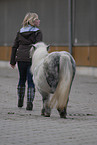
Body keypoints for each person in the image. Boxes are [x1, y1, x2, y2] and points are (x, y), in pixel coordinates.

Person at [10, 12, 42, 110]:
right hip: (31, 58)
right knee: (31, 80)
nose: (39, 20)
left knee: (22, 79)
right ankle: (29, 103)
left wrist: (12, 61)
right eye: (37, 19)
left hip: (20, 57)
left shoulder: (20, 32)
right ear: (33, 21)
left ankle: (20, 101)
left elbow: (15, 46)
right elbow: (39, 47)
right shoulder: (37, 32)